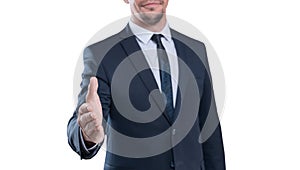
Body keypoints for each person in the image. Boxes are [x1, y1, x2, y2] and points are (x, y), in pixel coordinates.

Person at [67, 0, 225, 169]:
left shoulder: (196, 50)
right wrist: (87, 133)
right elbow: (85, 117)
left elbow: (210, 132)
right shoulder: (101, 54)